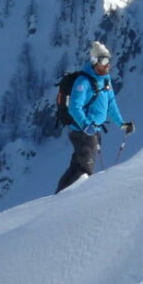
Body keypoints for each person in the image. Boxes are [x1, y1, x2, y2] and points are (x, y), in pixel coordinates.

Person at [54, 40, 133, 194]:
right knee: (85, 168)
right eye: (103, 61)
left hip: (93, 131)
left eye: (108, 60)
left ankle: (60, 197)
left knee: (78, 165)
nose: (107, 65)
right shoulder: (83, 82)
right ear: (94, 61)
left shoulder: (106, 80)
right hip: (82, 131)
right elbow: (74, 107)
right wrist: (85, 125)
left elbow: (111, 104)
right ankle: (69, 199)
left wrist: (122, 124)